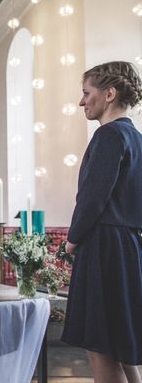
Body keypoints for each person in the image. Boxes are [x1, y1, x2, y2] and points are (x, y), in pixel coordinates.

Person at [61, 61, 142, 383]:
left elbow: (93, 198)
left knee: (101, 345)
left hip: (104, 246)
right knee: (121, 343)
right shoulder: (136, 138)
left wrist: (72, 239)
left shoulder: (108, 136)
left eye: (86, 93)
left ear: (109, 93)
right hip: (129, 246)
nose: (82, 102)